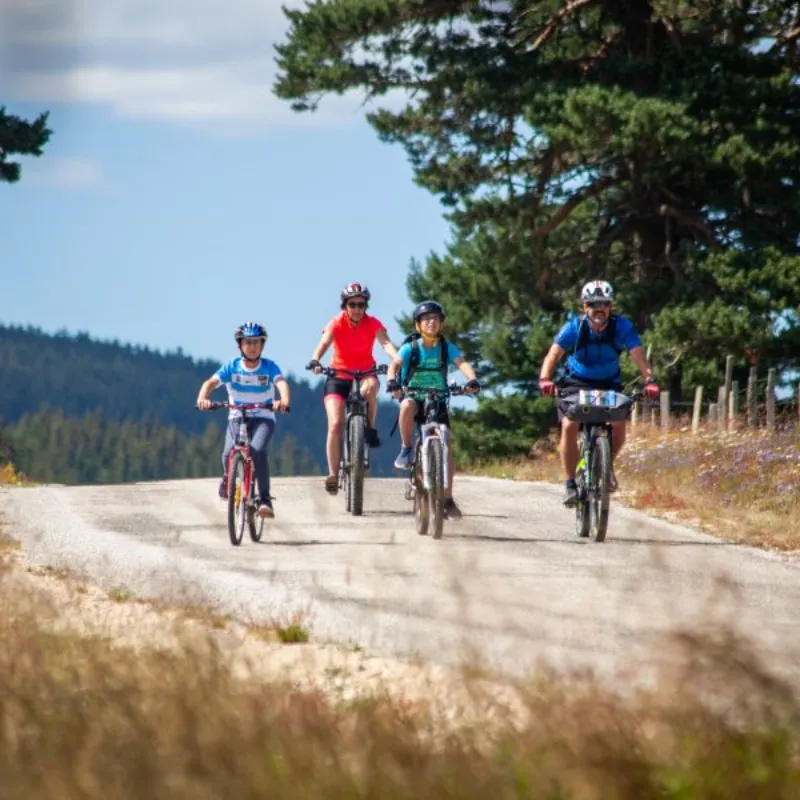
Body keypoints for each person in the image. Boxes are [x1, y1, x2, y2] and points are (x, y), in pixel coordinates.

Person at [538, 280, 660, 507]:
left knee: (619, 424)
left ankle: (605, 467)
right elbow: (553, 354)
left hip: (609, 384)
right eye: (593, 304)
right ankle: (570, 484)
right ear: (584, 307)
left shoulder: (622, 326)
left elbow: (637, 354)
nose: (598, 309)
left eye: (604, 304)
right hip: (577, 383)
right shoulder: (574, 327)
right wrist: (545, 378)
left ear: (611, 306)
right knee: (568, 425)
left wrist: (649, 379)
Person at [385, 300, 480, 519]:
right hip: (414, 395)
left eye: (435, 319)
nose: (431, 323)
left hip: (438, 398)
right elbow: (395, 365)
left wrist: (472, 379)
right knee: (406, 405)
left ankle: (447, 497)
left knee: (446, 444)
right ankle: (407, 448)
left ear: (441, 323)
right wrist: (392, 380)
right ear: (418, 325)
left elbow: (462, 363)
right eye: (426, 319)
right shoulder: (412, 347)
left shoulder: (447, 347)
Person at [308, 283, 400, 495]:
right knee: (335, 423)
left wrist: (395, 357)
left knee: (370, 390)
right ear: (345, 305)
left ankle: (368, 428)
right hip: (338, 376)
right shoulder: (336, 322)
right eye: (353, 304)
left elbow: (385, 342)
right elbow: (324, 343)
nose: (358, 309)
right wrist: (315, 359)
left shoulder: (372, 323)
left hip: (365, 372)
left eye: (361, 305)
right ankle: (333, 473)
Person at [196, 321, 291, 519]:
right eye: (248, 342)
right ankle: (227, 478)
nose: (253, 347)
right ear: (240, 345)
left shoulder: (269, 366)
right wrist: (203, 398)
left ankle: (264, 499)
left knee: (257, 451)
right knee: (227, 453)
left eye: (257, 342)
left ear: (262, 345)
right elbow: (211, 382)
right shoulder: (232, 367)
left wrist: (283, 400)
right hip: (237, 416)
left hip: (263, 417)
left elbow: (281, 383)